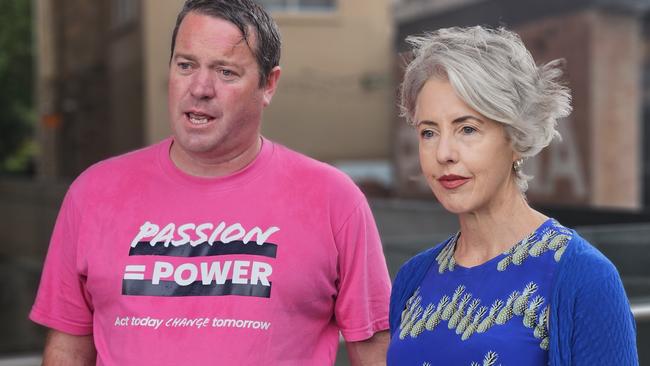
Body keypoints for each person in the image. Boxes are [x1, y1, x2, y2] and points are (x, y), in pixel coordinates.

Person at [30, 1, 391, 364]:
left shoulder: (333, 199)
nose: (200, 88)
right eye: (186, 65)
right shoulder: (93, 193)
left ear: (269, 84)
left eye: (226, 72)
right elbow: (67, 348)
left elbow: (374, 351)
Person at [387, 26, 638, 365]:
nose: (443, 152)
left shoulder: (583, 277)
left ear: (517, 138)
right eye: (428, 132)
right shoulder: (413, 278)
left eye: (468, 129)